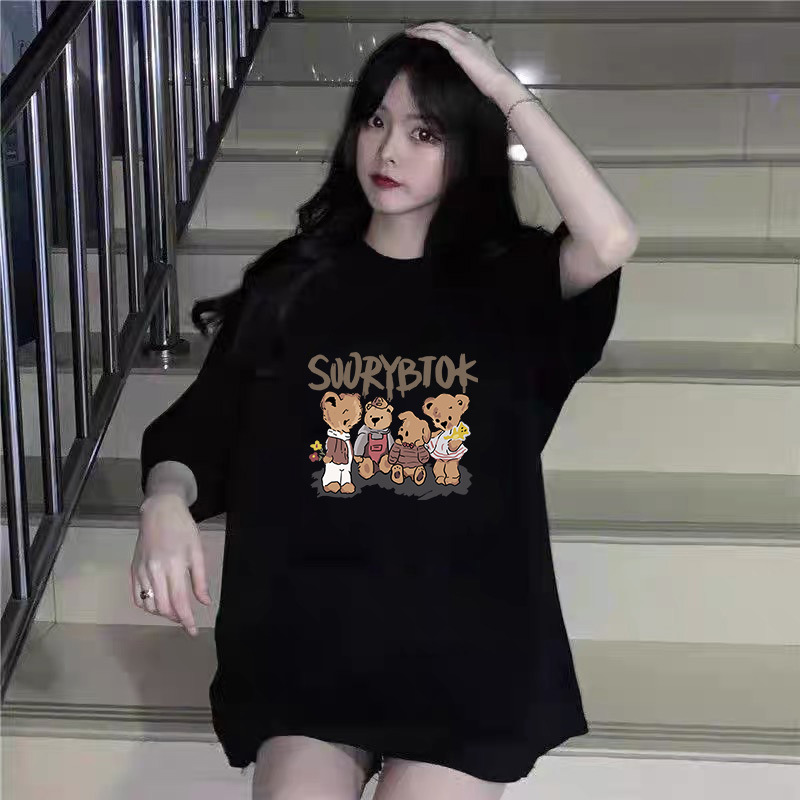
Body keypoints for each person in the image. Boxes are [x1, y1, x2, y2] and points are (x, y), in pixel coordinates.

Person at [134, 21, 637, 800]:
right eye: (375, 121)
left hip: (464, 658)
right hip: (311, 649)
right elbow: (203, 429)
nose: (389, 151)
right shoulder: (293, 282)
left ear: (468, 145)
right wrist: (165, 499)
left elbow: (609, 240)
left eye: (424, 132)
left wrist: (501, 88)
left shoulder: (512, 282)